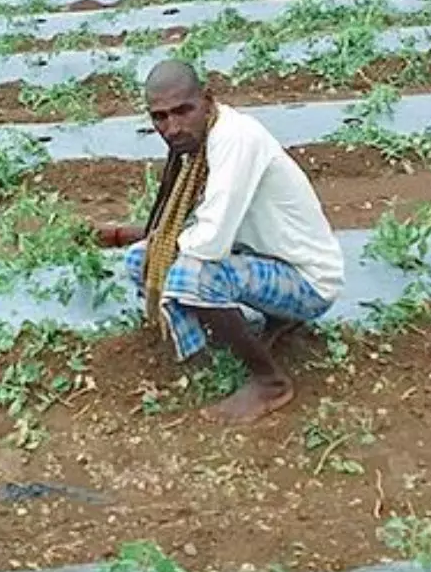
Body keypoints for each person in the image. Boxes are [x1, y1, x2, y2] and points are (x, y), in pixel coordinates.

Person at [93, 60, 345, 425]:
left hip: (309, 283)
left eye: (183, 111)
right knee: (140, 259)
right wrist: (132, 237)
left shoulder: (235, 140)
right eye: (160, 117)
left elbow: (208, 242)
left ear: (207, 100)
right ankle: (215, 345)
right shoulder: (200, 142)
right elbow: (190, 225)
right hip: (269, 260)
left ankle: (270, 382)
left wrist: (164, 246)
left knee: (192, 275)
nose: (173, 127)